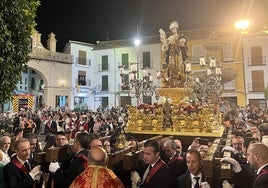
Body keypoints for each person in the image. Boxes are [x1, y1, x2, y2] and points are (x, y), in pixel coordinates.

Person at [159, 20, 188, 88]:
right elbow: (166, 48)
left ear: (177, 29)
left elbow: (185, 47)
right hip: (171, 56)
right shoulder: (170, 38)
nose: (174, 30)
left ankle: (181, 80)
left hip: (179, 55)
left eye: (175, 28)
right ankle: (172, 79)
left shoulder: (181, 37)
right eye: (172, 29)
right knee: (171, 67)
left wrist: (182, 44)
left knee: (180, 67)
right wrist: (165, 45)